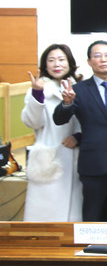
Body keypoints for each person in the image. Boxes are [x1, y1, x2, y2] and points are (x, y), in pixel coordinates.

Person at [54, 41, 107, 222]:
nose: (103, 60)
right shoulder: (79, 90)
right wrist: (67, 103)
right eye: (97, 56)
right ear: (89, 61)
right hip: (94, 159)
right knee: (93, 208)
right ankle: (90, 246)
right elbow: (59, 119)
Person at [22, 44, 83, 221]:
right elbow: (32, 122)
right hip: (49, 158)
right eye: (51, 60)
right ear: (45, 65)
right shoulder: (39, 89)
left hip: (75, 155)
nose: (57, 64)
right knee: (45, 214)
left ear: (70, 63)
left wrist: (79, 136)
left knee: (73, 214)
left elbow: (88, 119)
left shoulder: (80, 87)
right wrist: (37, 95)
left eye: (61, 59)